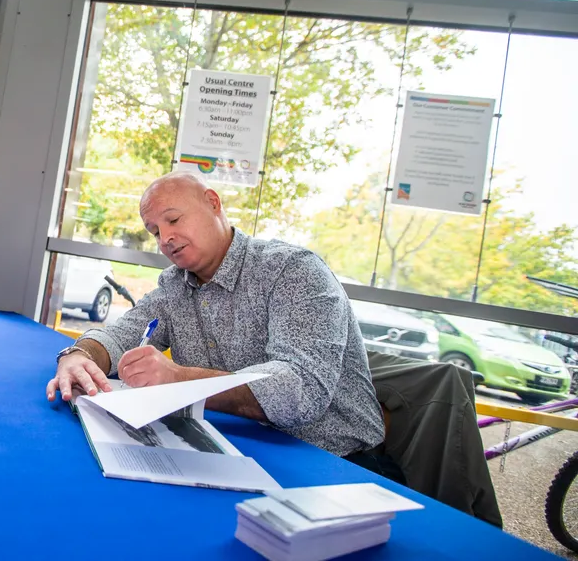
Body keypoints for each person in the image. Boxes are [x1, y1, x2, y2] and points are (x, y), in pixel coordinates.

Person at [46, 172, 387, 464]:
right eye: (154, 231)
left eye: (174, 220)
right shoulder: (174, 285)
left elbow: (300, 391)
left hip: (337, 461)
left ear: (213, 202)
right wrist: (79, 356)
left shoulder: (292, 270)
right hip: (235, 448)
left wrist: (178, 379)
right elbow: (121, 336)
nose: (165, 239)